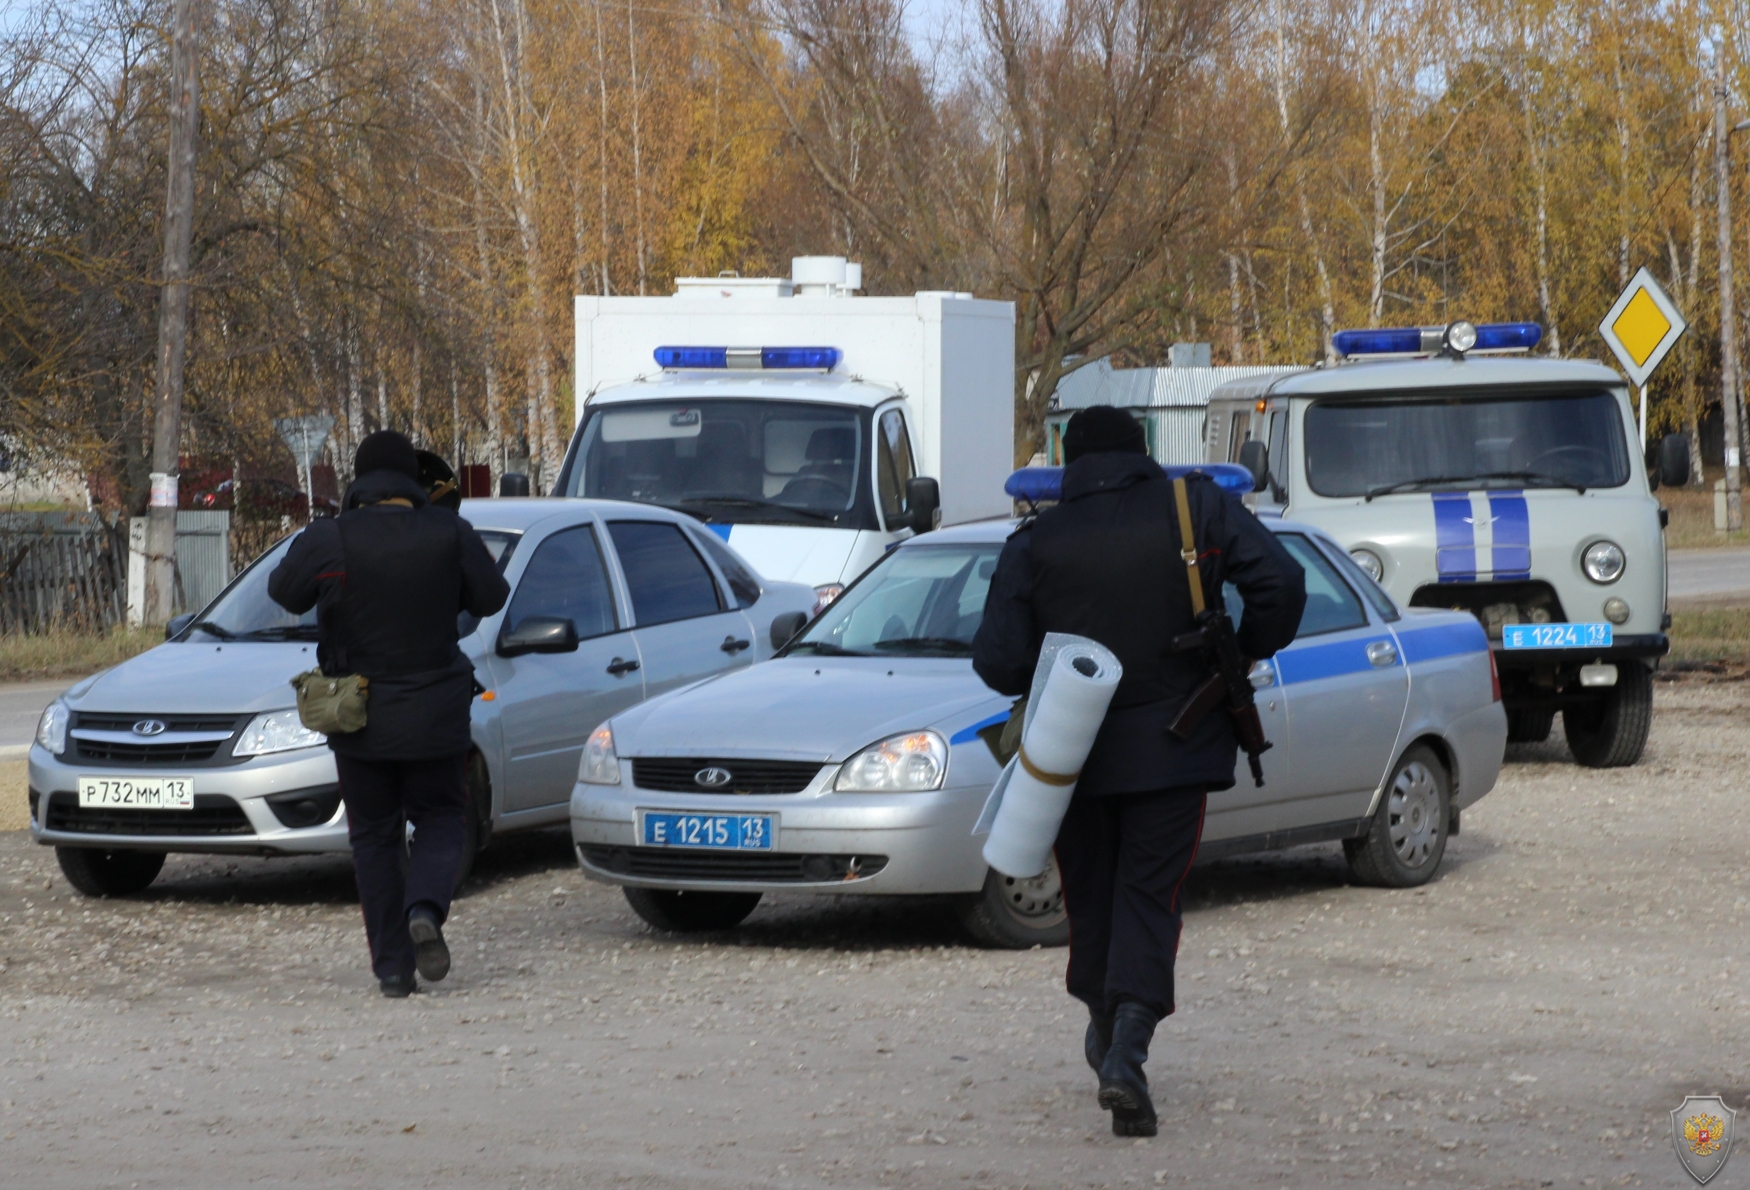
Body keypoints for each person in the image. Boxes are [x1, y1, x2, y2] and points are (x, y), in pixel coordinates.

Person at [972, 405, 1306, 1137]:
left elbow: (996, 662)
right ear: (1141, 451)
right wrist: (1243, 648)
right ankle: (1127, 1047)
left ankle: (1107, 1031)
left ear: (1070, 463)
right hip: (1177, 744)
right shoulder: (1198, 508)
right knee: (1150, 896)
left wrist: (1057, 673)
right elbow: (1283, 585)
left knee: (1092, 899)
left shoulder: (1037, 539)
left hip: (1068, 758)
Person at [269, 431, 509, 997]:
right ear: (413, 481)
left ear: (361, 481)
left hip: (358, 714)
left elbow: (284, 591)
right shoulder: (450, 531)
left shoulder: (331, 538)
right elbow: (492, 598)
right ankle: (425, 907)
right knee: (442, 816)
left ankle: (394, 970)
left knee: (373, 837)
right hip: (437, 712)